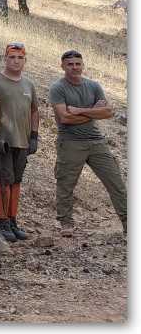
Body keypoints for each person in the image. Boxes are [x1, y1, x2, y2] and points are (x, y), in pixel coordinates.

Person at [49, 49, 127, 237]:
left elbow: (108, 113)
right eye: (70, 64)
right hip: (70, 142)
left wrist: (78, 111)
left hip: (96, 142)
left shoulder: (93, 86)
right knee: (66, 184)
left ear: (83, 65)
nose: (74, 67)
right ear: (63, 66)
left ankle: (128, 223)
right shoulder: (58, 88)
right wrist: (93, 112)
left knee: (116, 183)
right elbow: (65, 118)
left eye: (78, 64)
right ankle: (66, 223)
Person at [0, 42, 39, 242]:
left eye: (20, 57)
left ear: (25, 60)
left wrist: (34, 136)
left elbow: (34, 110)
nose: (16, 61)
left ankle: (12, 220)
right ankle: (0, 220)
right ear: (5, 59)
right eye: (12, 57)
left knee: (16, 182)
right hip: (3, 142)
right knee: (3, 181)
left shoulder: (29, 84)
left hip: (23, 142)